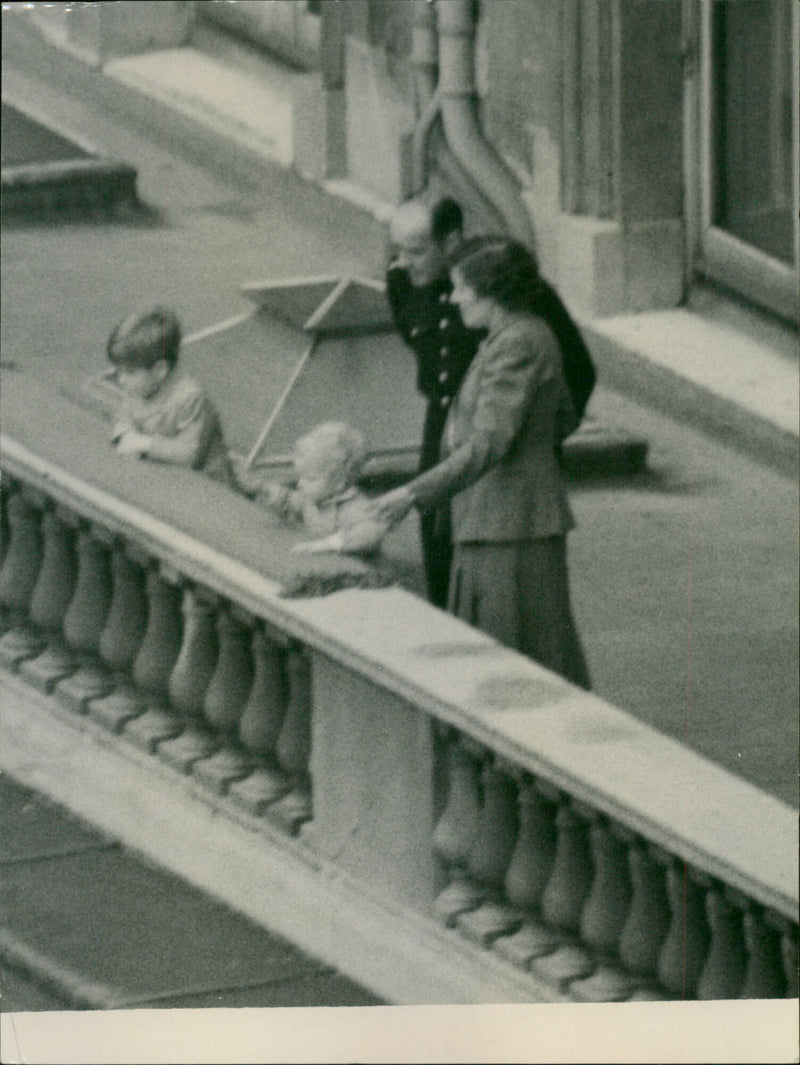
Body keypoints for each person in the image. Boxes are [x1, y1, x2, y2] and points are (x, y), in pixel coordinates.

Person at [372, 239, 591, 689]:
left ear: (491, 291)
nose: (453, 299)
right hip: (502, 519)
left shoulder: (518, 344)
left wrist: (413, 493)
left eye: (459, 288)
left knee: (507, 668)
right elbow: (562, 415)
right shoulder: (515, 336)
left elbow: (487, 442)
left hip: (508, 525)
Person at [386, 197, 486, 609]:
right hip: (441, 414)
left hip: (485, 418)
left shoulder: (486, 282)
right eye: (398, 250)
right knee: (433, 519)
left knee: (479, 526)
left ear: (451, 242)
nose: (404, 263)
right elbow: (415, 337)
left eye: (416, 251)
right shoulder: (400, 280)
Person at [107, 306, 237, 488]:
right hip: (166, 479)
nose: (121, 380)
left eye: (129, 372)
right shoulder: (139, 389)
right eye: (118, 371)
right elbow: (124, 415)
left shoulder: (190, 397)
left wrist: (143, 443)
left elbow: (189, 455)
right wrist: (125, 432)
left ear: (160, 370)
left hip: (209, 485)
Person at [257, 421, 390, 556]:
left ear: (339, 482)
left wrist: (329, 544)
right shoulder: (313, 497)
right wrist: (270, 492)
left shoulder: (355, 509)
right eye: (300, 476)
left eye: (310, 479)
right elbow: (293, 502)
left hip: (360, 571)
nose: (300, 484)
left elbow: (372, 531)